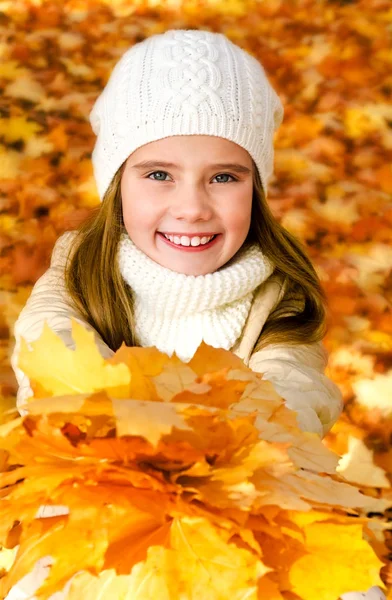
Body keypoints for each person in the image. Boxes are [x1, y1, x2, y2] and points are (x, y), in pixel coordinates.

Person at [8, 29, 386, 600]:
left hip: (249, 487)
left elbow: (297, 385)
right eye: (158, 174)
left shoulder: (276, 289)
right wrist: (133, 433)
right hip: (104, 484)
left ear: (256, 186)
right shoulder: (79, 268)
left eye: (224, 177)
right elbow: (49, 343)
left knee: (344, 587)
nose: (191, 207)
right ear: (116, 182)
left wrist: (216, 446)